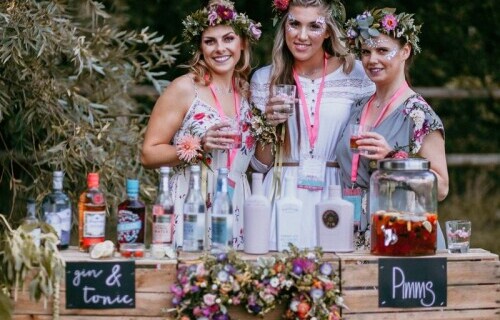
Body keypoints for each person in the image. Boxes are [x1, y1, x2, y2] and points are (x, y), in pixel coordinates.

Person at [250, 0, 375, 250]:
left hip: (336, 190)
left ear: (328, 30)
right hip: (280, 191)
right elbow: (258, 165)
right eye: (294, 24)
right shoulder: (265, 79)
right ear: (284, 26)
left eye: (314, 26)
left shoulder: (358, 76)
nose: (302, 36)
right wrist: (269, 126)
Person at [141, 0, 261, 250]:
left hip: (237, 200)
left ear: (242, 44)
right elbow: (149, 154)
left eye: (228, 39)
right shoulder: (184, 88)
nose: (220, 49)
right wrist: (199, 146)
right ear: (201, 47)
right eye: (210, 41)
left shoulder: (247, 92)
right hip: (192, 198)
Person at [336, 8, 449, 248]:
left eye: (382, 50)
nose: (371, 59)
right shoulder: (358, 106)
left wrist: (392, 158)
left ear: (405, 52)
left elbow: (441, 188)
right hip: (355, 230)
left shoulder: (419, 114)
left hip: (404, 233)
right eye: (365, 52)